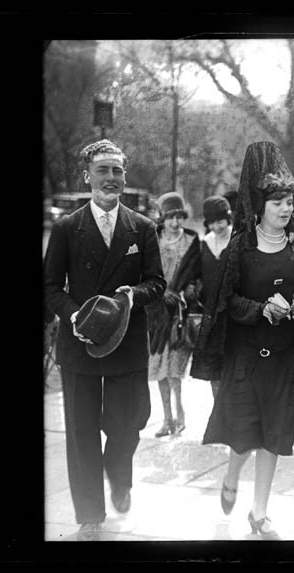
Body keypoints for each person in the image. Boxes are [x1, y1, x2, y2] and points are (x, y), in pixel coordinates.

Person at [43, 139, 166, 541]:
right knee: (80, 433)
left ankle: (119, 475)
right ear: (87, 177)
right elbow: (49, 287)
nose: (110, 178)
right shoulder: (65, 228)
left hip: (126, 343)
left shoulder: (143, 228)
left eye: (117, 171)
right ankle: (90, 515)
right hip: (79, 343)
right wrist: (75, 314)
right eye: (103, 170)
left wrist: (133, 295)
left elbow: (157, 283)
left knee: (128, 423)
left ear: (124, 176)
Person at [190, 141, 294, 540]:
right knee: (244, 435)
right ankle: (231, 475)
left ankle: (259, 513)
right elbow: (225, 301)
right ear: (259, 206)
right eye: (277, 202)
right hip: (245, 357)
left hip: (283, 358)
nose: (286, 208)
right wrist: (261, 309)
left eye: (290, 202)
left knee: (273, 435)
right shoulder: (240, 247)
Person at [146, 192, 202, 437]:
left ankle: (180, 415)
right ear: (162, 218)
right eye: (170, 217)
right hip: (157, 314)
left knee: (175, 369)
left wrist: (190, 289)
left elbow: (199, 275)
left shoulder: (192, 241)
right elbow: (144, 276)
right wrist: (160, 293)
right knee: (159, 368)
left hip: (181, 313)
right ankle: (166, 418)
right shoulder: (152, 240)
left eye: (179, 217)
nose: (175, 222)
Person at [198, 195, 233, 400]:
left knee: (233, 364)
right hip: (211, 312)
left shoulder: (238, 240)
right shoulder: (205, 243)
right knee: (214, 366)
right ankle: (218, 409)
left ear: (228, 219)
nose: (217, 226)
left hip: (234, 311)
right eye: (212, 222)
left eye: (220, 220)